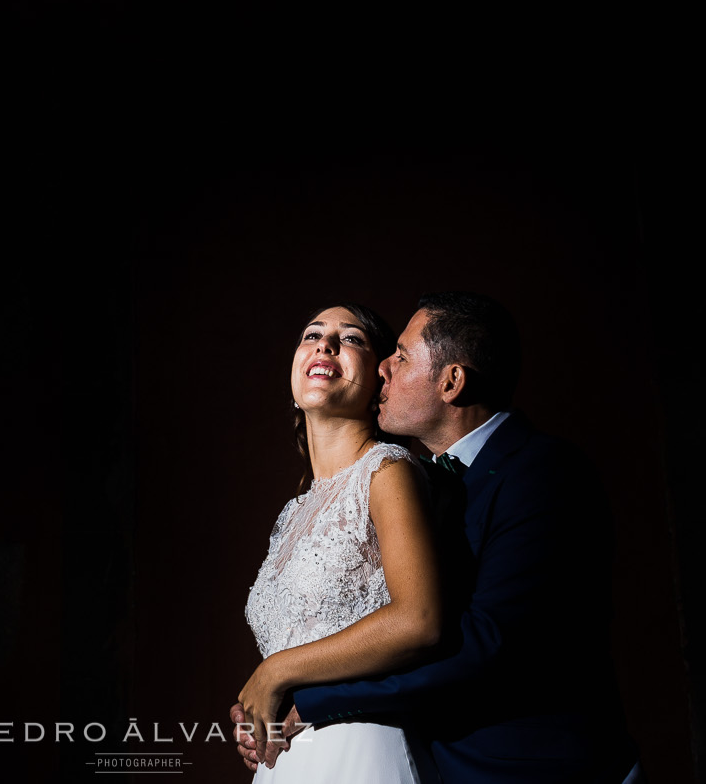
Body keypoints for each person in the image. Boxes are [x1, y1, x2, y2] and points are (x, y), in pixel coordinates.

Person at [238, 292, 640, 784]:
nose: (385, 368)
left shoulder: (542, 473)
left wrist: (303, 691)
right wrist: (267, 712)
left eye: (400, 357)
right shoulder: (429, 482)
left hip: (535, 768)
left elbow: (484, 643)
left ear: (452, 381)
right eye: (312, 336)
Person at [234, 304, 445, 781]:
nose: (325, 345)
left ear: (380, 382)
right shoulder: (293, 511)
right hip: (290, 759)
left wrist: (276, 671)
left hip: (362, 749)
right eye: (312, 334)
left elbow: (420, 619)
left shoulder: (387, 472)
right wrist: (259, 712)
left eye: (351, 339)